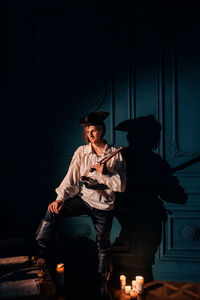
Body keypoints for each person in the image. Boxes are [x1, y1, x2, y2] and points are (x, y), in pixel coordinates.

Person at [33, 111, 126, 298]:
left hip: (103, 206)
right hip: (83, 199)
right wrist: (60, 198)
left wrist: (106, 171)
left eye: (93, 130)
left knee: (103, 245)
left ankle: (102, 285)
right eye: (87, 131)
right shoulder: (81, 152)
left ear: (100, 130)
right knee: (53, 210)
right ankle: (41, 254)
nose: (90, 134)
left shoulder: (114, 154)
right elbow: (71, 179)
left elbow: (121, 186)